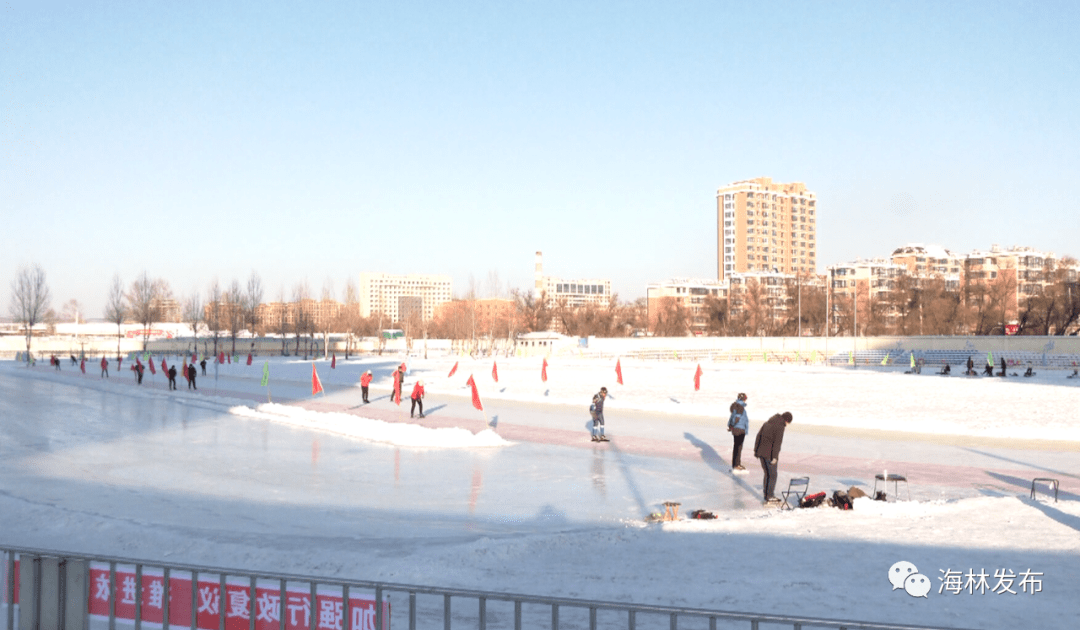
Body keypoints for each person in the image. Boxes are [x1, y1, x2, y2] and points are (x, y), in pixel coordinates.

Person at [753, 411, 793, 505]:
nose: (787, 425)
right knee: (773, 475)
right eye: (788, 423)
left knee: (767, 474)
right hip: (769, 455)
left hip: (761, 453)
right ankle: (769, 496)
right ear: (786, 420)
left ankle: (767, 495)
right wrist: (775, 457)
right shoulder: (780, 427)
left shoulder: (767, 423)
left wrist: (756, 451)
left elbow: (758, 436)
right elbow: (777, 443)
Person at [727, 393, 749, 472]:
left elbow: (732, 417)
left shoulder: (736, 406)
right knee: (738, 448)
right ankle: (737, 465)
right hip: (740, 430)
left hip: (736, 429)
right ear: (744, 399)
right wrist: (732, 425)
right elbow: (736, 418)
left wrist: (730, 426)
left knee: (736, 447)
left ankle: (735, 464)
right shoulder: (740, 407)